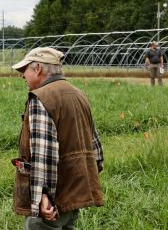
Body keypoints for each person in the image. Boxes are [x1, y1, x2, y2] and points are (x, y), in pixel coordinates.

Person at [11, 47, 104, 230]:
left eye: (25, 70)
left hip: (52, 199)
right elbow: (95, 148)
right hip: (74, 191)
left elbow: (43, 154)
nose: (22, 76)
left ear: (38, 68)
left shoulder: (42, 98)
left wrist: (42, 195)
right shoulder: (79, 94)